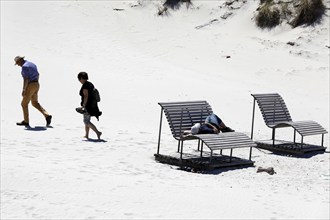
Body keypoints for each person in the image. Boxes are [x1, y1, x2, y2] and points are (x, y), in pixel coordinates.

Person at [14, 56, 52, 127]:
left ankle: (26, 121)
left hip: (30, 85)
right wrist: (35, 84)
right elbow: (38, 74)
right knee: (34, 103)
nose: (18, 65)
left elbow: (26, 79)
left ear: (20, 60)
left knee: (24, 104)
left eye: (17, 63)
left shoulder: (24, 67)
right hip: (36, 84)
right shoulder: (32, 64)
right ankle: (47, 115)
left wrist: (24, 89)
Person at [77, 72, 102, 140]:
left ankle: (98, 132)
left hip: (88, 106)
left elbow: (86, 96)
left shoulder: (85, 85)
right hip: (92, 105)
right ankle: (87, 135)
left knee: (86, 121)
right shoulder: (90, 84)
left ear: (81, 78)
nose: (79, 81)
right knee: (87, 120)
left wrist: (83, 105)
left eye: (79, 79)